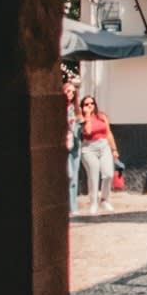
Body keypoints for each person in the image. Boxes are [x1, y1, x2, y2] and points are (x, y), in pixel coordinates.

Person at [77, 95, 120, 214]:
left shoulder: (102, 116)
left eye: (92, 103)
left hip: (104, 145)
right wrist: (87, 115)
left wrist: (114, 149)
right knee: (93, 175)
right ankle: (93, 203)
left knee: (108, 174)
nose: (90, 106)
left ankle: (104, 199)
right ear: (82, 107)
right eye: (86, 104)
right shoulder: (81, 118)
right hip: (89, 148)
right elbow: (88, 131)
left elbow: (108, 133)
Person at [64, 80, 82, 216]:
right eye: (68, 91)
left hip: (75, 143)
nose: (70, 94)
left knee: (74, 177)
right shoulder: (58, 108)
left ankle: (73, 207)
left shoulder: (75, 109)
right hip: (64, 144)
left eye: (73, 92)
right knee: (69, 175)